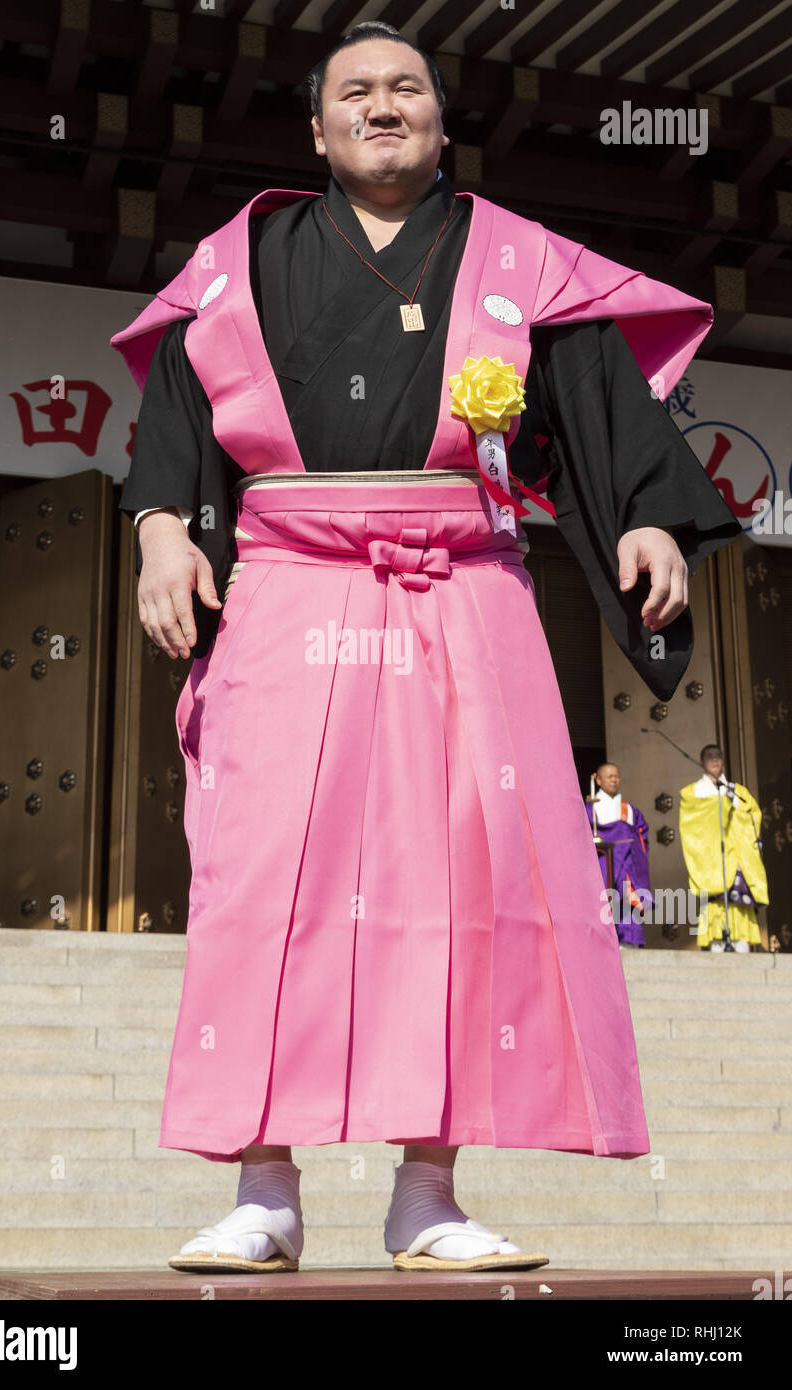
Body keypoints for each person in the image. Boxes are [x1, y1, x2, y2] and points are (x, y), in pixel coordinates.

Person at [111, 21, 741, 1274]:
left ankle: (429, 1191)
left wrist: (655, 519)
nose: (382, 105)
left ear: (442, 123)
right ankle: (263, 1187)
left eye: (407, 88)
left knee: (464, 880)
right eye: (355, 90)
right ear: (316, 129)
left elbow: (606, 406)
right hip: (289, 588)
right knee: (262, 876)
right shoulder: (238, 260)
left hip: (463, 585)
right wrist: (158, 536)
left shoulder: (515, 260)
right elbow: (174, 420)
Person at [679, 745, 768, 952]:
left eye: (718, 756)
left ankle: (742, 944)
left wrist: (733, 807)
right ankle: (717, 945)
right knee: (715, 904)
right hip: (711, 860)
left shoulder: (737, 791)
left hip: (737, 856)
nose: (715, 760)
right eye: (710, 757)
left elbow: (752, 816)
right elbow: (691, 826)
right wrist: (715, 807)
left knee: (739, 902)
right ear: (701, 762)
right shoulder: (693, 793)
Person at [586, 763, 652, 948]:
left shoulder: (630, 810)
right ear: (598, 780)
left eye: (616, 776)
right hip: (601, 864)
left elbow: (641, 835)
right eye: (609, 776)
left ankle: (629, 940)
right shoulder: (590, 808)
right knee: (601, 901)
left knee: (627, 900)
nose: (614, 780)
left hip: (626, 865)